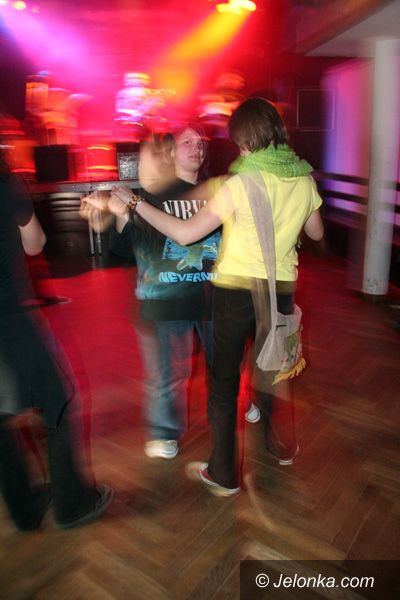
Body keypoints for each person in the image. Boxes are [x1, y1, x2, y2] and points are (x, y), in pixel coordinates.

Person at [111, 98, 324, 496]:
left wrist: (136, 202)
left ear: (245, 140)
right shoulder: (303, 179)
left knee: (224, 384)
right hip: (280, 291)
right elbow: (314, 233)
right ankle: (282, 446)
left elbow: (185, 233)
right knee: (273, 369)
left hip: (235, 294)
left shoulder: (239, 184)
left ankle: (224, 473)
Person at [82, 124, 221, 459]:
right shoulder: (151, 196)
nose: (197, 146)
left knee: (223, 365)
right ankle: (164, 432)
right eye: (187, 141)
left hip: (212, 296)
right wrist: (120, 217)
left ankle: (226, 416)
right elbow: (121, 248)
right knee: (169, 374)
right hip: (164, 301)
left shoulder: (216, 193)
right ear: (170, 153)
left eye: (200, 141)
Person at [0, 150, 113, 530]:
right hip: (11, 318)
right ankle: (72, 504)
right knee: (58, 405)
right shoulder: (6, 184)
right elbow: (34, 243)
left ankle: (25, 510)